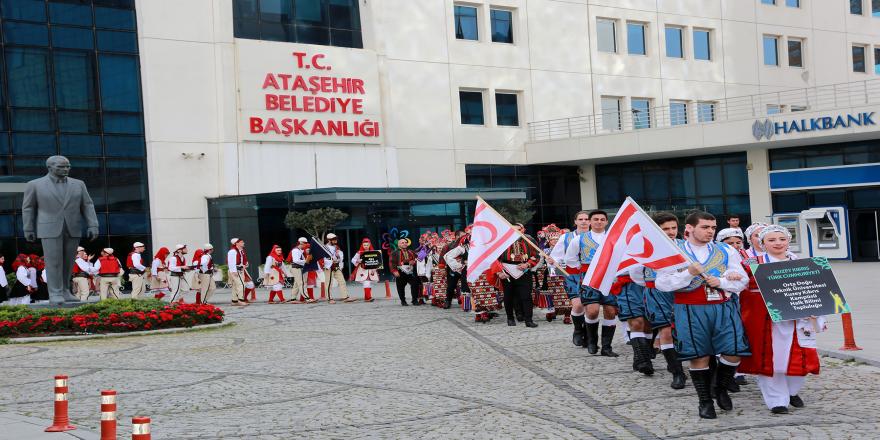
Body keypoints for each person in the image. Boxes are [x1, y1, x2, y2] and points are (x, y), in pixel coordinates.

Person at [655, 211, 751, 419]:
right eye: (705, 227)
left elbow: (742, 280)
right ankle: (705, 401)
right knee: (699, 356)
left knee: (734, 351)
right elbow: (662, 283)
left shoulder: (725, 249)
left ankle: (720, 387)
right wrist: (688, 273)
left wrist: (723, 282)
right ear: (689, 228)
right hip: (690, 308)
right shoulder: (674, 251)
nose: (710, 231)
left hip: (723, 307)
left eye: (713, 227)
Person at [738, 225, 825, 414]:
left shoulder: (802, 263)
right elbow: (738, 286)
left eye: (782, 239)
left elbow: (817, 289)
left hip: (798, 319)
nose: (778, 243)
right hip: (766, 321)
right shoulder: (750, 264)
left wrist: (817, 308)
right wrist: (731, 277)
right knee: (771, 359)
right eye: (771, 240)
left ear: (788, 241)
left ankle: (792, 391)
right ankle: (777, 400)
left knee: (801, 357)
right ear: (762, 243)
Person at [21, 155, 100, 304]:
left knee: (68, 262)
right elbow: (28, 208)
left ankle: (65, 290)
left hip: (73, 227)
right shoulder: (35, 185)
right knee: (54, 262)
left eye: (68, 166)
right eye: (61, 167)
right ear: (50, 167)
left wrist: (93, 225)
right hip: (49, 228)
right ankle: (55, 293)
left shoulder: (78, 184)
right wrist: (28, 228)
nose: (65, 169)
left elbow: (87, 205)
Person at [628, 212, 687, 389]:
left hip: (682, 292)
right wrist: (653, 284)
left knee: (684, 331)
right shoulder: (646, 248)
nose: (671, 232)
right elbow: (636, 274)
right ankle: (677, 372)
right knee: (666, 331)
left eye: (673, 228)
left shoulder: (685, 246)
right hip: (657, 293)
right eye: (665, 229)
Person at [565, 210, 618, 356]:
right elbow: (570, 258)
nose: (599, 222)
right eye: (596, 219)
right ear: (590, 222)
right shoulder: (579, 239)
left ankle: (607, 347)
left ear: (606, 222)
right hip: (589, 279)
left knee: (610, 311)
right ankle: (592, 341)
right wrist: (583, 268)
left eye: (602, 219)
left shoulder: (613, 238)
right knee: (592, 310)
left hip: (608, 278)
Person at [548, 212, 590, 341]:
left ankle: (588, 335)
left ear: (590, 221)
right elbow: (556, 256)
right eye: (580, 219)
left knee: (590, 307)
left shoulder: (597, 237)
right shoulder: (566, 237)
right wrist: (553, 261)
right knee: (578, 305)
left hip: (591, 275)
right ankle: (578, 330)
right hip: (572, 275)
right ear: (575, 221)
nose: (584, 221)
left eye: (586, 219)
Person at [497, 223, 539, 327]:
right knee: (508, 296)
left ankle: (528, 320)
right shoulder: (502, 242)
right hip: (506, 271)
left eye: (519, 229)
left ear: (523, 230)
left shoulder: (529, 240)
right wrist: (499, 272)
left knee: (526, 296)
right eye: (513, 229)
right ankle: (510, 318)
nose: (516, 232)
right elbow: (494, 258)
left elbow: (536, 255)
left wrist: (528, 264)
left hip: (524, 271)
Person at [443, 233, 471, 309]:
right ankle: (448, 300)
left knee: (466, 285)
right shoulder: (449, 245)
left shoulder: (470, 245)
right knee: (451, 285)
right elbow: (444, 256)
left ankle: (469, 303)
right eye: (461, 235)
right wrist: (442, 267)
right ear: (457, 236)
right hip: (454, 269)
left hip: (466, 268)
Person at [391, 239, 421, 306]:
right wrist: (394, 271)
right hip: (400, 271)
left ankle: (414, 300)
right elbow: (392, 263)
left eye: (405, 242)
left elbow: (417, 259)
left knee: (415, 284)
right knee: (400, 287)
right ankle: (403, 301)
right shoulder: (395, 253)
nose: (404, 244)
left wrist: (414, 262)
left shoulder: (411, 252)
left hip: (410, 272)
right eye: (402, 243)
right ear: (398, 244)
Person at [323, 233, 352, 304]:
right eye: (334, 239)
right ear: (329, 240)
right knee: (329, 283)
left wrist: (338, 257)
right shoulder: (325, 248)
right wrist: (331, 261)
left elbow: (340, 257)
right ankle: (329, 298)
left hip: (336, 266)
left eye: (336, 239)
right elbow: (323, 259)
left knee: (342, 281)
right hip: (329, 267)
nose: (335, 240)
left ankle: (345, 297)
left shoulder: (336, 247)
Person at [287, 237, 315, 303]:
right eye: (305, 244)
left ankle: (293, 298)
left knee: (297, 283)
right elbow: (296, 260)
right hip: (297, 268)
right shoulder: (296, 250)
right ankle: (307, 298)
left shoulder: (299, 250)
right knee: (301, 283)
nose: (306, 245)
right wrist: (306, 260)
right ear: (301, 243)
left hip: (299, 267)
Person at [351, 238, 380, 302]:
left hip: (371, 270)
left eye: (367, 245)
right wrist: (358, 261)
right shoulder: (359, 253)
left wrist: (375, 268)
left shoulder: (374, 252)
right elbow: (353, 260)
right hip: (362, 270)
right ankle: (368, 297)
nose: (366, 246)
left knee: (369, 283)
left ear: (369, 245)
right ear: (362, 245)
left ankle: (367, 297)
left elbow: (377, 261)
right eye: (364, 245)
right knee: (366, 283)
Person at [227, 238, 250, 306]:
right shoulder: (233, 251)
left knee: (235, 285)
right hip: (236, 270)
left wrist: (245, 264)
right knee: (241, 285)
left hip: (240, 270)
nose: (243, 243)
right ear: (236, 243)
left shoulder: (241, 251)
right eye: (241, 242)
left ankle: (234, 301)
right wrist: (234, 271)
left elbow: (243, 260)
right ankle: (241, 300)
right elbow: (230, 262)